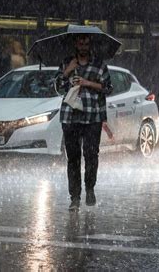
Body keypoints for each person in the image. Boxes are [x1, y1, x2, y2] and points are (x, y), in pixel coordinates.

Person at [55, 34, 113, 211]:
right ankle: (74, 197)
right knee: (73, 158)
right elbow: (57, 88)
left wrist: (87, 82)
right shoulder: (67, 63)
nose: (83, 46)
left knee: (91, 155)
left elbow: (108, 88)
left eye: (86, 43)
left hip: (92, 117)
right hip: (70, 117)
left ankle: (89, 189)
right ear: (75, 44)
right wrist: (67, 71)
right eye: (80, 42)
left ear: (90, 45)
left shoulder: (99, 65)